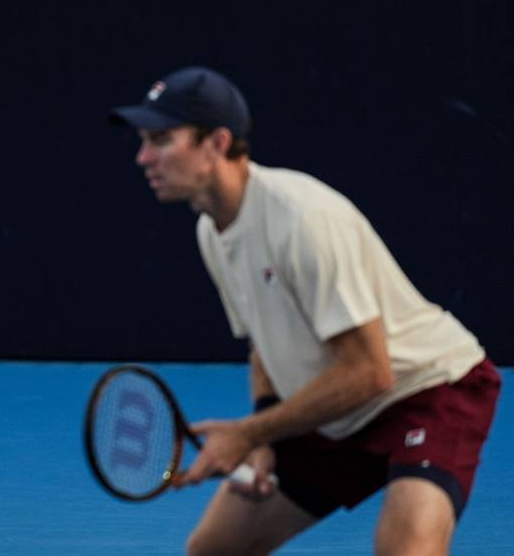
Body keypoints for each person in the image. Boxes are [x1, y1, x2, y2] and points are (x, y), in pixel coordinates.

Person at [110, 66, 501, 555]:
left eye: (162, 140)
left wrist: (247, 433)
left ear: (216, 144)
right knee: (214, 549)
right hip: (339, 412)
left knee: (405, 550)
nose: (144, 157)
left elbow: (370, 370)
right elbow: (263, 344)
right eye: (144, 141)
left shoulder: (302, 219)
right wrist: (264, 436)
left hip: (427, 389)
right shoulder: (212, 231)